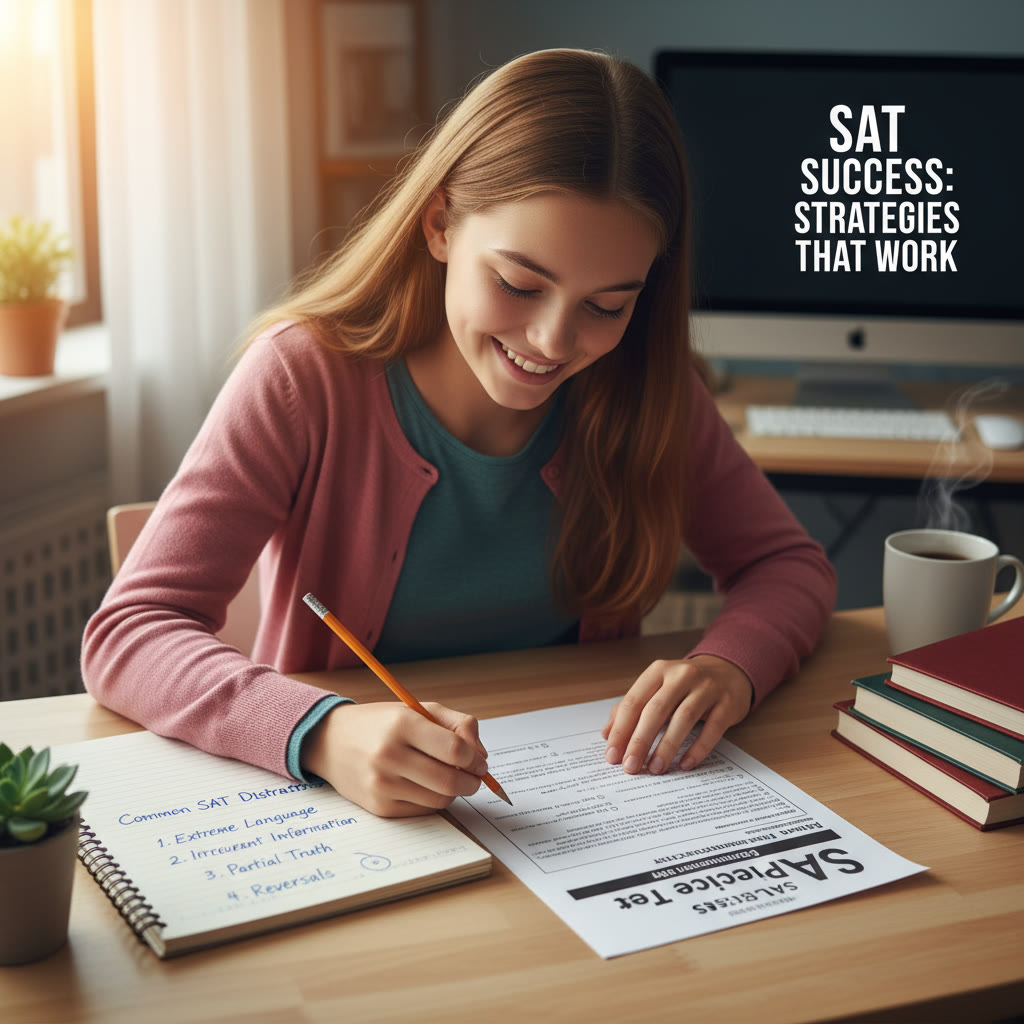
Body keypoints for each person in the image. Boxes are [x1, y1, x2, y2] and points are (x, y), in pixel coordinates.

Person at [82, 49, 836, 818]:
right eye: (518, 284)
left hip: (575, 810)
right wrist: (321, 733)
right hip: (346, 816)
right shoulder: (301, 378)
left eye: (606, 306)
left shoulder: (647, 387)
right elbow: (131, 633)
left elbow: (787, 565)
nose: (551, 339)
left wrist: (729, 667)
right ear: (439, 225)